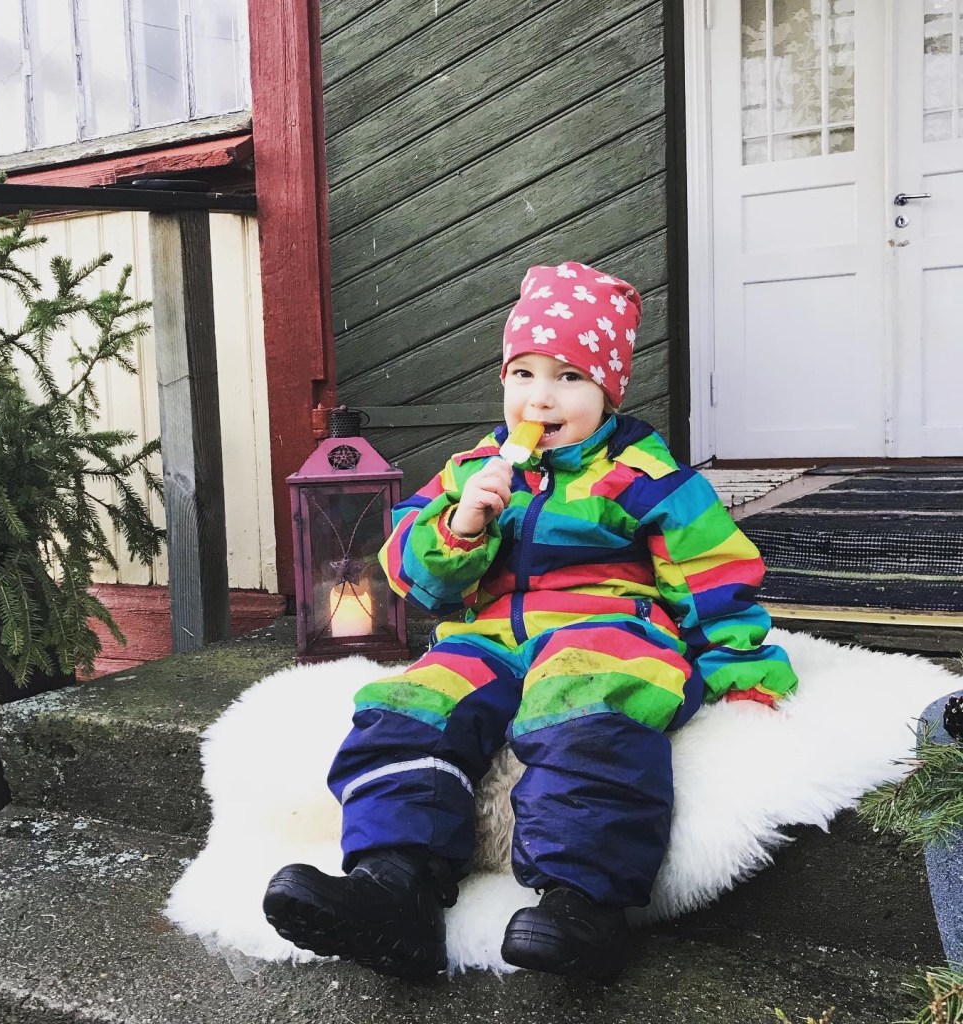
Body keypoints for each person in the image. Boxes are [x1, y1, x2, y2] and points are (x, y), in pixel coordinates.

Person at [263, 261, 798, 981]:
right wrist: (461, 524)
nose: (540, 396)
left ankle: (584, 902)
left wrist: (740, 669)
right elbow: (414, 577)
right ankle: (393, 887)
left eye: (569, 377)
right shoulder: (473, 469)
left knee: (585, 703)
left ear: (608, 391)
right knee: (408, 703)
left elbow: (713, 575)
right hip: (488, 636)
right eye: (523, 373)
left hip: (603, 628)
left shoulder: (647, 477)